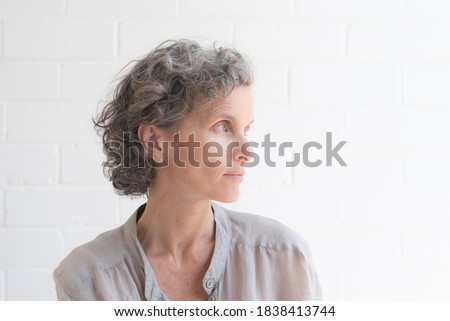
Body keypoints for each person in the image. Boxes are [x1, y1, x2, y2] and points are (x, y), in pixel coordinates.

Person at [53, 39, 322, 301]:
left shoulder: (282, 257)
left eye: (246, 128)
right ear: (154, 142)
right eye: (223, 126)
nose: (247, 151)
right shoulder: (88, 280)